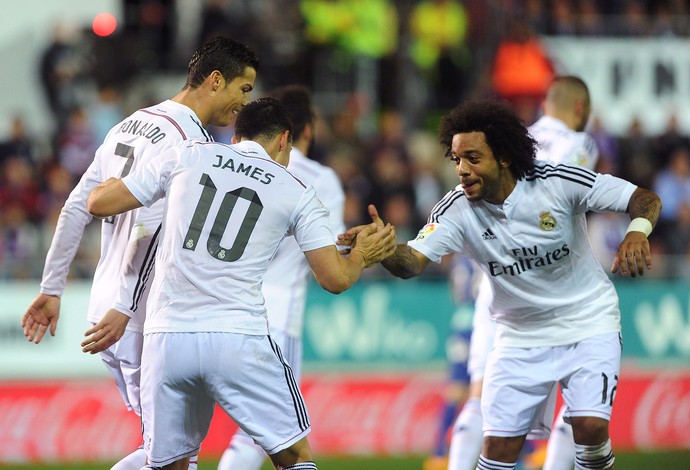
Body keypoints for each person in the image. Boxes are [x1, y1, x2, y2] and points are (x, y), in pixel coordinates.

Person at [341, 99, 661, 470]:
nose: (462, 169)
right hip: (519, 337)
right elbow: (412, 262)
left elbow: (644, 199)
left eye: (473, 158)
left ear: (504, 157)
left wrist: (638, 232)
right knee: (497, 451)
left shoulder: (556, 182)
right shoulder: (455, 210)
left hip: (587, 322)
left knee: (588, 428)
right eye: (456, 159)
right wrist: (379, 251)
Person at [85, 97, 397, 470]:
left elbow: (99, 203)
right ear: (285, 140)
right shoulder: (297, 190)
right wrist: (362, 255)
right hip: (237, 335)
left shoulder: (187, 154)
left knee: (169, 464)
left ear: (236, 136)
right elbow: (334, 279)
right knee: (294, 457)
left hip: (167, 338)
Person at [21, 35, 261, 470]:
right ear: (215, 80)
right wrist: (127, 306)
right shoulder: (191, 143)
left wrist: (51, 287)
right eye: (243, 90)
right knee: (170, 456)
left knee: (172, 454)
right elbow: (153, 225)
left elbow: (77, 205)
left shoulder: (127, 124)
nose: (246, 102)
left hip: (106, 307)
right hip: (139, 317)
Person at [448, 75, 600, 470]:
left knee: (479, 399)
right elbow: (570, 198)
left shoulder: (509, 146)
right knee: (578, 404)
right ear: (580, 108)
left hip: (495, 281)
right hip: (546, 289)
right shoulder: (578, 144)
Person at [216, 84, 346, 470]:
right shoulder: (319, 179)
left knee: (178, 446)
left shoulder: (222, 164)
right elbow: (333, 257)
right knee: (277, 437)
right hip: (277, 317)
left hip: (219, 310)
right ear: (306, 130)